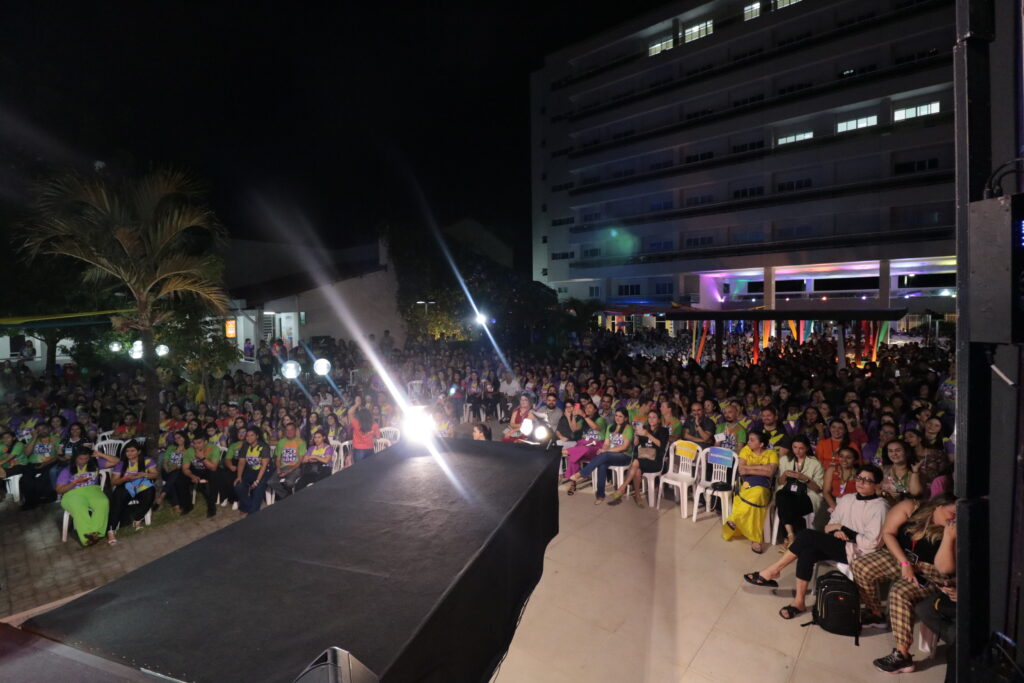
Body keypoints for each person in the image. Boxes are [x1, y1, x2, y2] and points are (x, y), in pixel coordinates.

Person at [743, 463, 888, 619]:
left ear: (877, 484)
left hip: (859, 552)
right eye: (859, 478)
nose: (861, 482)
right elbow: (829, 526)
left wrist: (843, 529)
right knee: (807, 551)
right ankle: (799, 602)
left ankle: (773, 571)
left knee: (806, 535)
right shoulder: (848, 498)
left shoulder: (880, 507)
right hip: (839, 543)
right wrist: (837, 530)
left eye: (867, 480)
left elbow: (871, 543)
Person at [853, 494, 957, 674]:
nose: (954, 519)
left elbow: (946, 569)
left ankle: (903, 656)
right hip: (901, 557)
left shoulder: (954, 530)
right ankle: (876, 613)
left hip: (930, 571)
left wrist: (949, 537)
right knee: (861, 566)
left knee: (900, 591)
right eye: (952, 513)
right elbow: (888, 533)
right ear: (939, 505)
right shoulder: (912, 507)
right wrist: (904, 563)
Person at [723, 430, 778, 553]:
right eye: (749, 439)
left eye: (752, 440)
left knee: (758, 493)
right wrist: (761, 468)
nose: (748, 442)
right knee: (754, 500)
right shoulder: (746, 450)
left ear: (761, 444)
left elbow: (770, 472)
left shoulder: (771, 453)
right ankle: (756, 539)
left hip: (765, 486)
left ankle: (735, 519)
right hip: (746, 484)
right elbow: (742, 470)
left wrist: (750, 468)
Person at [567, 408, 634, 505]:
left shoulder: (628, 429)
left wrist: (605, 451)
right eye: (616, 415)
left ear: (626, 418)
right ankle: (600, 495)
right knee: (601, 465)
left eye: (620, 416)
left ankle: (582, 473)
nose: (617, 418)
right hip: (610, 455)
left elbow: (624, 447)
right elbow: (606, 443)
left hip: (624, 456)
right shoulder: (611, 427)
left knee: (605, 454)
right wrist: (603, 449)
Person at [606, 409, 667, 508]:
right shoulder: (644, 428)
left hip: (655, 461)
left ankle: (622, 488)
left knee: (636, 462)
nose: (651, 419)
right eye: (649, 417)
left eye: (654, 417)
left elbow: (661, 445)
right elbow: (639, 444)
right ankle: (638, 496)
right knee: (637, 470)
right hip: (643, 458)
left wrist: (647, 435)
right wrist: (637, 440)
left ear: (659, 420)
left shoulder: (663, 430)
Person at [773, 435, 825, 548]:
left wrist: (805, 479)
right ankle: (792, 535)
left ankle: (789, 536)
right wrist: (784, 474)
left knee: (785, 505)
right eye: (795, 447)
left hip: (807, 495)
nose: (797, 451)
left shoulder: (815, 463)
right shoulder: (785, 460)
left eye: (801, 448)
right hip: (787, 493)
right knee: (781, 495)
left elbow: (818, 488)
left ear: (807, 448)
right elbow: (780, 483)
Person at [55, 445, 109, 547]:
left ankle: (93, 534)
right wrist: (75, 482)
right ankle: (89, 537)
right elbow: (59, 490)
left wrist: (100, 454)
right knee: (79, 507)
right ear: (75, 457)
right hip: (72, 494)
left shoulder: (95, 464)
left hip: (92, 490)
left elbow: (116, 461)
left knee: (103, 502)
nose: (83, 461)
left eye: (86, 458)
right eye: (80, 458)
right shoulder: (67, 470)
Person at [107, 440, 158, 544]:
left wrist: (143, 475)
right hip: (126, 485)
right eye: (127, 451)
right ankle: (111, 530)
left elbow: (155, 474)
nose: (129, 453)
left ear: (139, 452)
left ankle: (137, 519)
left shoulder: (147, 460)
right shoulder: (121, 464)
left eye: (132, 451)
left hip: (142, 484)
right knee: (118, 499)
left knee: (150, 492)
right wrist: (125, 478)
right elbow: (114, 482)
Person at [563, 402, 607, 490]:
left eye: (590, 407)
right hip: (583, 444)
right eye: (586, 408)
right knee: (576, 453)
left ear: (595, 410)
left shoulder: (600, 419)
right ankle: (573, 483)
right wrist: (571, 416)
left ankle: (565, 451)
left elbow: (595, 427)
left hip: (596, 446)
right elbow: (574, 428)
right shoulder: (583, 420)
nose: (587, 409)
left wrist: (583, 415)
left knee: (582, 449)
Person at [183, 434, 225, 517]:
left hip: (209, 470)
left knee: (214, 475)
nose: (196, 445)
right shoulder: (189, 451)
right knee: (181, 477)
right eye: (194, 443)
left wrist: (202, 457)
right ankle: (187, 505)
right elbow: (185, 468)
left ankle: (211, 506)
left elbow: (213, 467)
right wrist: (192, 476)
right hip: (196, 470)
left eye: (199, 443)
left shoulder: (213, 448)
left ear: (205, 442)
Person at [234, 427, 273, 514]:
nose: (249, 437)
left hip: (265, 471)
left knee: (258, 487)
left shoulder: (264, 446)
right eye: (247, 436)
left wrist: (257, 481)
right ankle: (249, 506)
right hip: (251, 470)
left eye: (252, 435)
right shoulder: (245, 446)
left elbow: (264, 466)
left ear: (257, 436)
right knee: (238, 486)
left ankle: (253, 512)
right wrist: (239, 477)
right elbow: (241, 462)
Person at [268, 422, 307, 500]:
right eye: (287, 430)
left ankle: (287, 498)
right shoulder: (281, 442)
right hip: (282, 467)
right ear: (285, 431)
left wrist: (288, 472)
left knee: (289, 483)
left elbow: (299, 462)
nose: (289, 432)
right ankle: (287, 497)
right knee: (271, 482)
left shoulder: (301, 442)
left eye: (291, 430)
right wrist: (278, 469)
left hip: (295, 467)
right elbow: (278, 458)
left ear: (295, 430)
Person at [159, 431, 195, 515]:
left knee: (175, 476)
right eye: (175, 438)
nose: (177, 440)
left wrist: (176, 467)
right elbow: (165, 461)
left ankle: (175, 505)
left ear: (184, 438)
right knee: (173, 476)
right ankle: (168, 498)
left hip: (180, 470)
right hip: (167, 471)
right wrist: (167, 468)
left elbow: (188, 463)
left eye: (179, 437)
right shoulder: (171, 447)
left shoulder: (190, 449)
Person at [880, 439, 924, 505]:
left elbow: (916, 493)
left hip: (909, 509)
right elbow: (874, 490)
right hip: (885, 508)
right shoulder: (882, 470)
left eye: (898, 450)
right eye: (890, 451)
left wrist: (915, 472)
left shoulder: (916, 471)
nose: (894, 454)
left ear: (906, 452)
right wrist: (886, 493)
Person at [822, 446, 861, 514]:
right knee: (819, 523)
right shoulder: (831, 470)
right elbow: (826, 492)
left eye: (848, 458)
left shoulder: (860, 474)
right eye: (841, 456)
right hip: (832, 501)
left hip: (852, 504)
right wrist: (836, 508)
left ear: (855, 460)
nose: (844, 460)